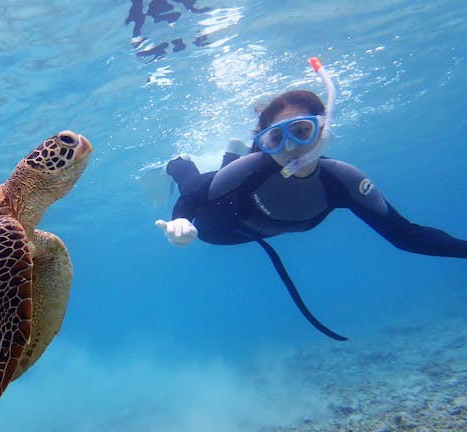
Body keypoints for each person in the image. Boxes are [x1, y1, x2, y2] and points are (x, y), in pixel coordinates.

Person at [154, 58, 467, 341]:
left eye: (302, 131)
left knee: (228, 175)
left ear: (323, 132)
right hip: (219, 227)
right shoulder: (251, 169)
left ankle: (230, 151)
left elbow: (406, 236)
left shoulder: (341, 180)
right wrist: (180, 220)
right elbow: (194, 198)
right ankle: (178, 162)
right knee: (193, 180)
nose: (291, 147)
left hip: (258, 224)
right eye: (276, 139)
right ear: (263, 144)